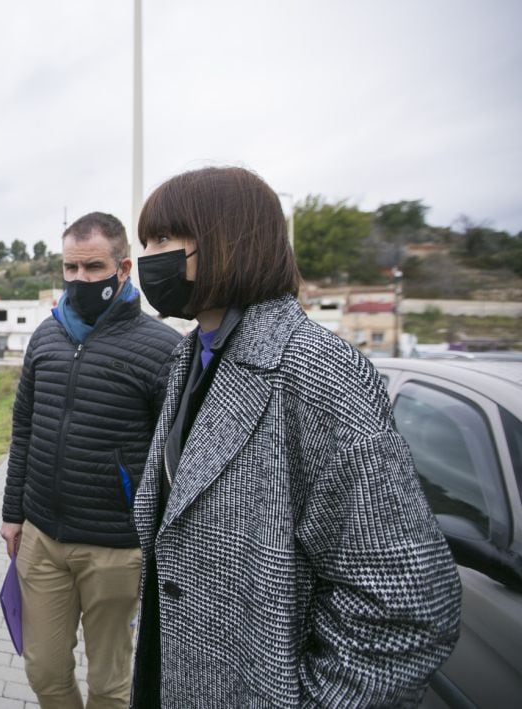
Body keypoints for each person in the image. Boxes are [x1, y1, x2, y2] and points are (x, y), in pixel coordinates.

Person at [130, 166, 462, 707]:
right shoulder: (190, 356)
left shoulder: (318, 372)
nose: (150, 256)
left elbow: (406, 612)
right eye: (146, 241)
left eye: (165, 238)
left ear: (227, 240)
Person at [0, 212, 182, 709]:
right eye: (70, 269)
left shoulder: (163, 349)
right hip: (41, 539)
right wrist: (13, 513)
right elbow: (24, 429)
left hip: (116, 549)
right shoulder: (46, 336)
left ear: (123, 268)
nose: (79, 280)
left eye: (93, 268)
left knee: (110, 684)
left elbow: (177, 460)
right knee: (44, 670)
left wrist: (153, 538)